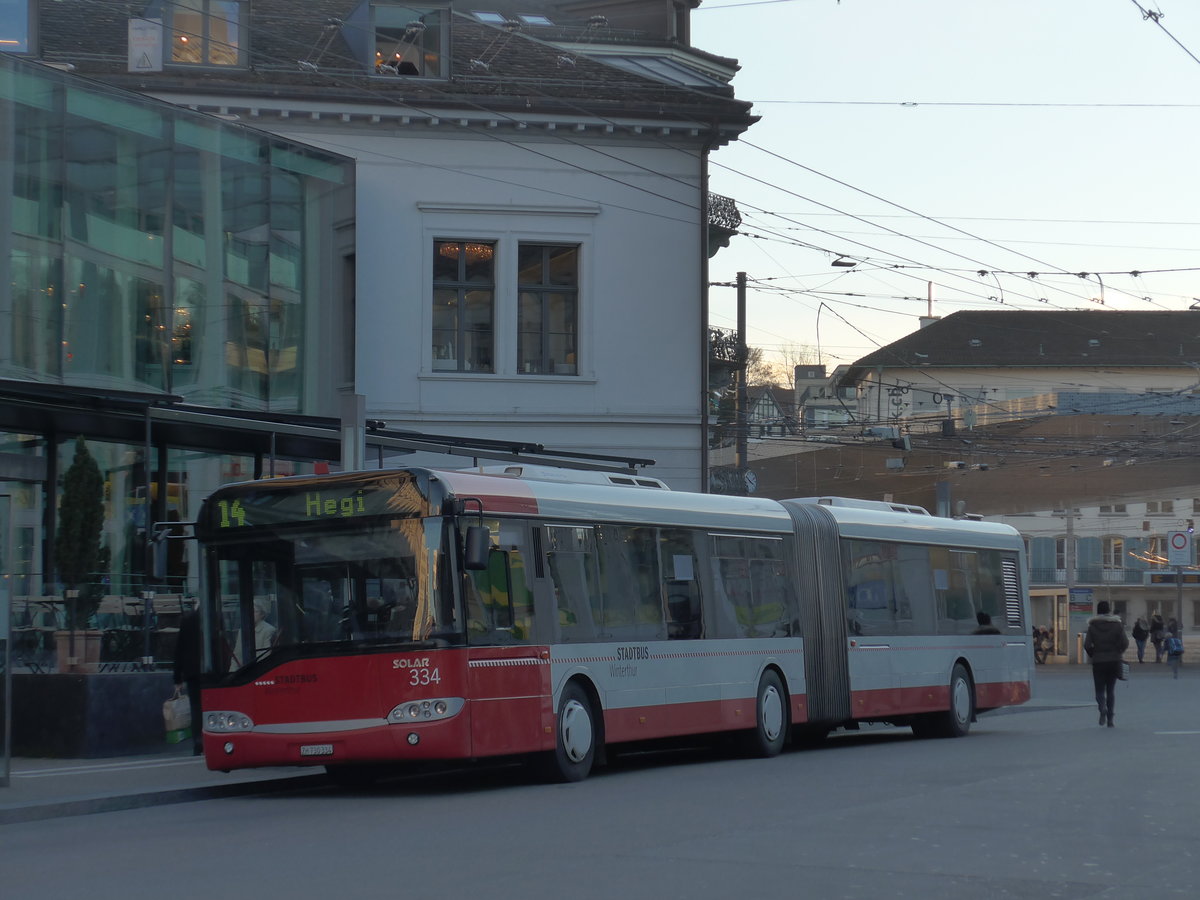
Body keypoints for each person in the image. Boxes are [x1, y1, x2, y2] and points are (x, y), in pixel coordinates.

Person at [1084, 600, 1129, 727]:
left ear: (1097, 611)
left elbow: (1087, 645)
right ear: (1109, 610)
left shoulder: (1092, 626)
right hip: (1114, 660)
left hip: (1098, 661)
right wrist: (1119, 651)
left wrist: (1093, 654)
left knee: (1099, 690)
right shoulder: (1117, 625)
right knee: (1110, 690)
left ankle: (1102, 707)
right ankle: (1110, 719)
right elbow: (1125, 642)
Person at [172, 598, 203, 755]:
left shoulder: (188, 620)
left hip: (192, 671)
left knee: (196, 708)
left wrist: (177, 677)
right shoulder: (216, 618)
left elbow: (180, 649)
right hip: (212, 671)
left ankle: (198, 741)